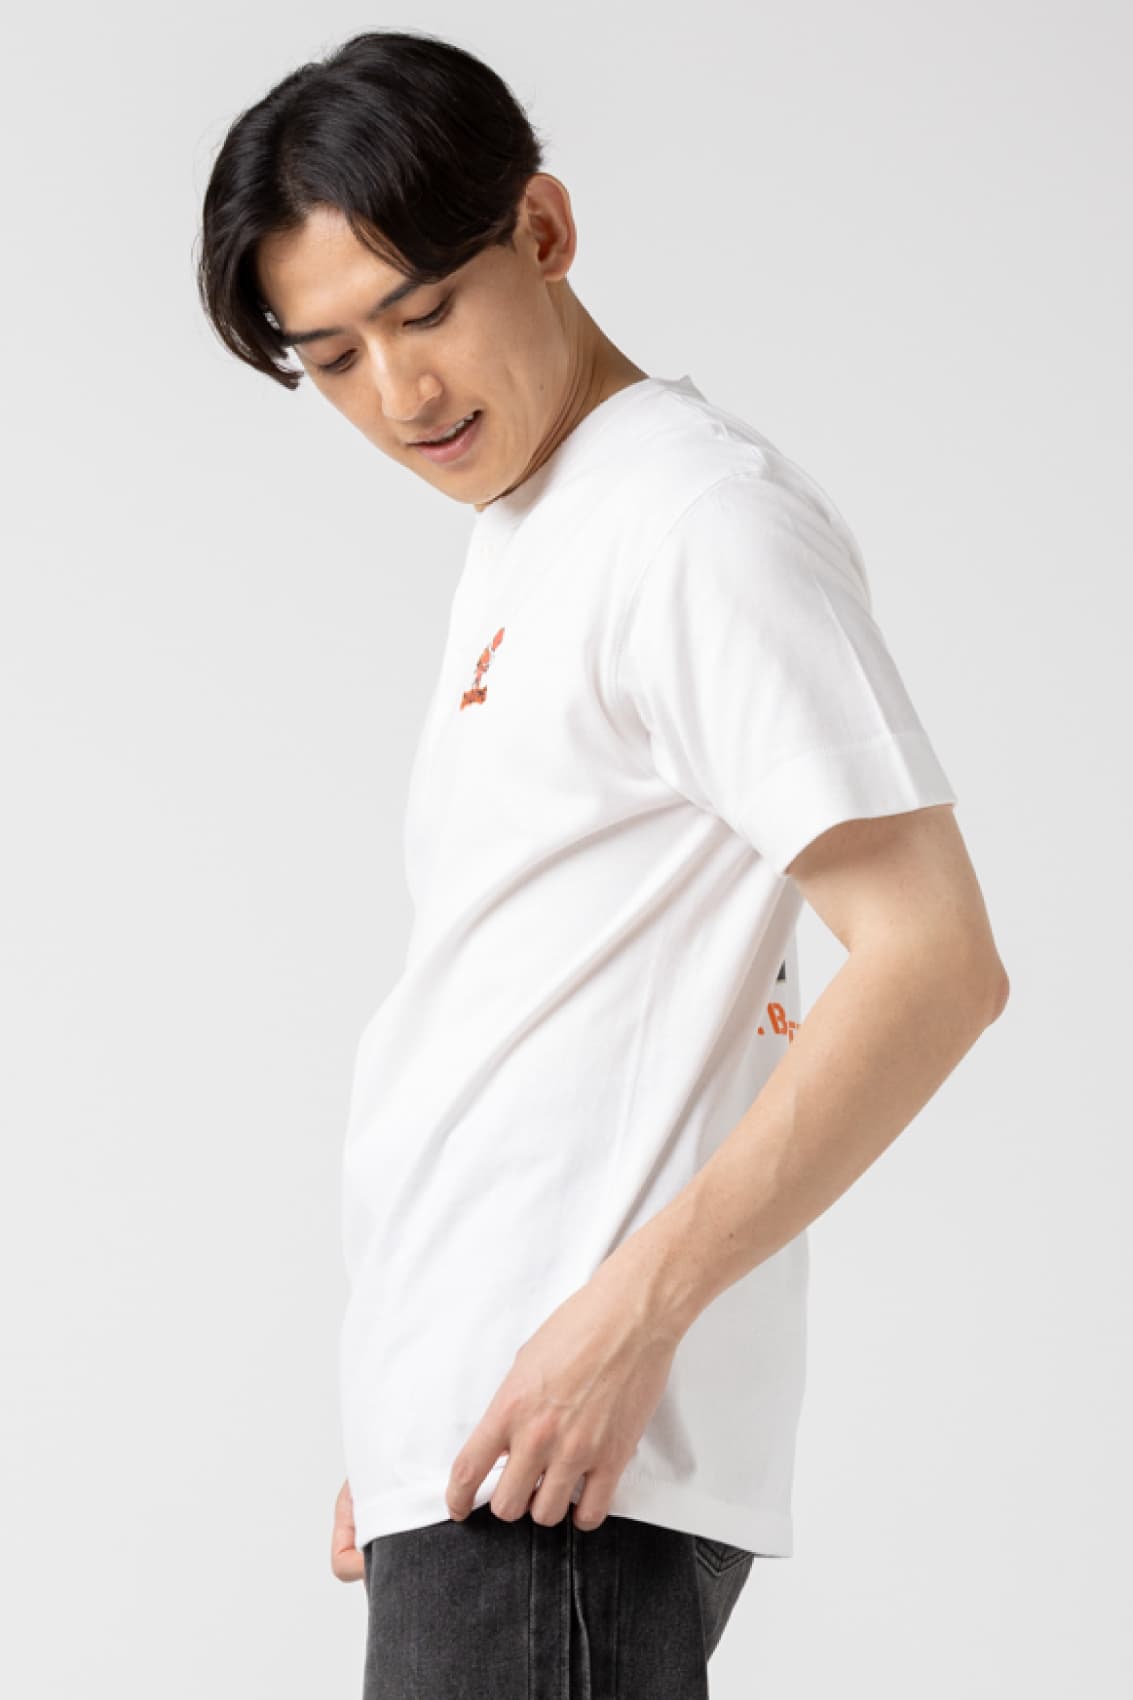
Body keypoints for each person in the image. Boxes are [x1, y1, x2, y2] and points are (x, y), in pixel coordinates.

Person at [196, 27, 1009, 1699]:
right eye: (333, 358)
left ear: (545, 229)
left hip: (567, 1465)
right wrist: (410, 1395)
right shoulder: (536, 532)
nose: (400, 396)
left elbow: (934, 962)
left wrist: (623, 1320)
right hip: (480, 1445)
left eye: (425, 311)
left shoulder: (693, 525)